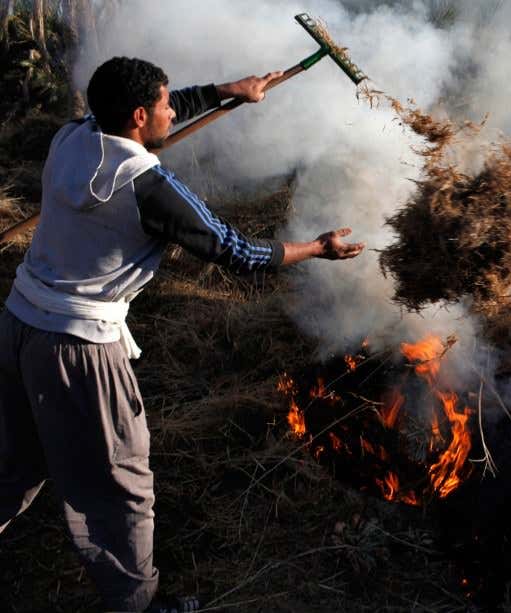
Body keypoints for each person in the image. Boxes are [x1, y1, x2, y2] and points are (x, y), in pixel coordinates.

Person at [0, 56, 364, 613]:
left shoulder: (71, 136)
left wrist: (229, 91)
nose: (175, 108)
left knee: (14, 459)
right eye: (167, 103)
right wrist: (317, 247)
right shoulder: (148, 187)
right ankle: (138, 604)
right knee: (119, 487)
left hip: (18, 321)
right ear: (141, 116)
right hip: (78, 351)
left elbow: (158, 114)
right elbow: (235, 250)